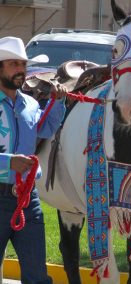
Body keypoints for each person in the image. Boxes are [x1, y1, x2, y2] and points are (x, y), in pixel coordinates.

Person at [0, 36, 66, 284]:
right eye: (13, 64)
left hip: (28, 199)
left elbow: (45, 130)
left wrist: (57, 103)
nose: (20, 70)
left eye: (22, 65)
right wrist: (8, 162)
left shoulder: (29, 103)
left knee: (37, 277)